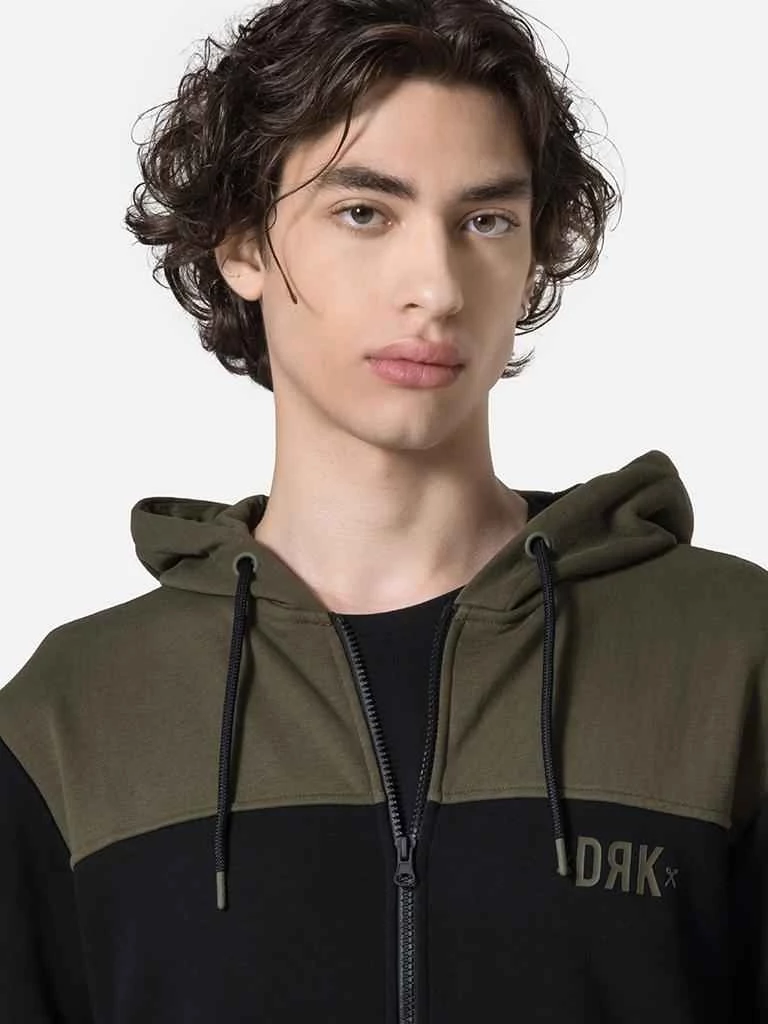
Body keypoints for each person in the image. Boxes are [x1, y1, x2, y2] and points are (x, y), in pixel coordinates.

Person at [1, 0, 765, 1020]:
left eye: (485, 220)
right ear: (242, 243)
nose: (436, 287)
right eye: (365, 212)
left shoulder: (732, 660)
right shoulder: (70, 721)